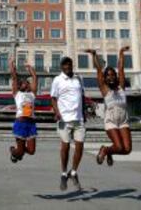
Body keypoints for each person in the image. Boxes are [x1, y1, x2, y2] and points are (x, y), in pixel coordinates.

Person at [86, 46, 132, 166]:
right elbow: (99, 70)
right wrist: (94, 55)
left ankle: (109, 151)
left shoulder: (121, 86)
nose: (110, 77)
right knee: (118, 146)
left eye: (113, 75)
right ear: (105, 78)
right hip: (111, 120)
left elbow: (121, 68)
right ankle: (105, 150)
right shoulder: (104, 89)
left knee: (127, 149)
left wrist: (121, 52)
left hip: (123, 119)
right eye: (108, 75)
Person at [50, 56, 86, 191]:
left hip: (79, 119)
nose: (68, 67)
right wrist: (57, 112)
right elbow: (53, 98)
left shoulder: (78, 79)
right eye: (65, 65)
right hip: (64, 119)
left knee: (80, 146)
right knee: (65, 146)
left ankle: (74, 172)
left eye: (70, 64)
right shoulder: (57, 80)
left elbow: (82, 96)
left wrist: (84, 112)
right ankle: (64, 173)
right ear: (61, 67)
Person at [9, 58, 38, 163]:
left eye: (27, 82)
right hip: (21, 123)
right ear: (21, 86)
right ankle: (13, 150)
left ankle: (17, 151)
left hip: (31, 124)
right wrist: (12, 65)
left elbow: (35, 78)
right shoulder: (17, 94)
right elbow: (14, 77)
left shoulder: (32, 94)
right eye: (25, 82)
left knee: (31, 151)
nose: (27, 82)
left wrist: (30, 67)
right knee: (20, 152)